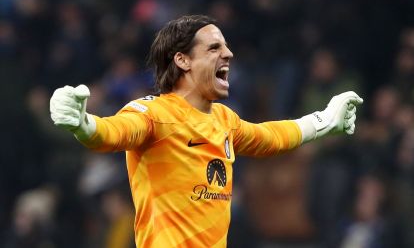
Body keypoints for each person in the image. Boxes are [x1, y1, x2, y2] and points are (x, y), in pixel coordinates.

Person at [49, 15, 363, 247]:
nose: (228, 54)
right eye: (214, 48)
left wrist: (325, 120)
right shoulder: (154, 114)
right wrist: (83, 123)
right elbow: (112, 133)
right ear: (182, 60)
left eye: (226, 46)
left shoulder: (224, 120)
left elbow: (271, 137)